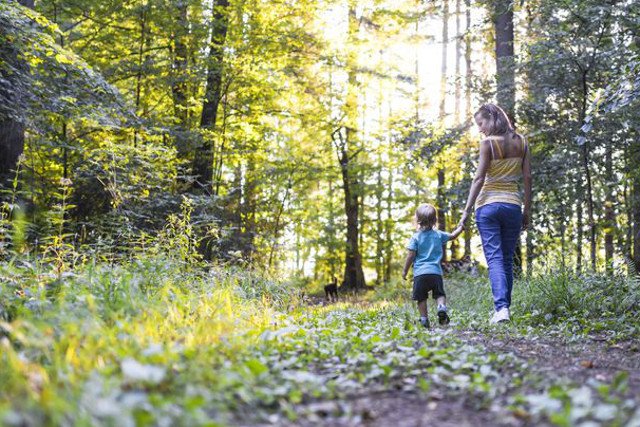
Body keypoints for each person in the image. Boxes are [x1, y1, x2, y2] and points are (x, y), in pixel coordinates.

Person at [459, 103, 532, 324]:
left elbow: (479, 179)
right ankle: (504, 309)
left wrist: (466, 212)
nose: (480, 129)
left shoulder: (488, 144)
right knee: (507, 259)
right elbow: (528, 178)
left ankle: (501, 309)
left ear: (492, 118)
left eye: (481, 124)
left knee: (495, 259)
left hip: (488, 207)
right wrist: (527, 210)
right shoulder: (523, 142)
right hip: (512, 206)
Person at [402, 203, 464, 328]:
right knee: (439, 294)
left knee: (421, 297)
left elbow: (410, 256)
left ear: (417, 221)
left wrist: (405, 271)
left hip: (420, 274)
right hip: (435, 272)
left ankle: (424, 320)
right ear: (435, 220)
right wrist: (460, 228)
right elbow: (453, 236)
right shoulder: (439, 235)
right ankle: (441, 307)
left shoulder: (415, 237)